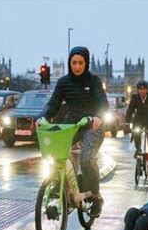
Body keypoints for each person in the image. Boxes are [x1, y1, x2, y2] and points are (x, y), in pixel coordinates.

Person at [40, 46, 108, 217]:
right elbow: (53, 104)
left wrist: (98, 117)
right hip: (72, 125)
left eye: (80, 62)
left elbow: (102, 103)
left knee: (86, 158)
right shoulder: (63, 82)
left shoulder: (94, 81)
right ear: (69, 63)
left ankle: (96, 196)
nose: (77, 66)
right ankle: (61, 190)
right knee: (57, 157)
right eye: (74, 63)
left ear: (86, 63)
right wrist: (42, 117)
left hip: (93, 125)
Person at [125, 80, 148, 173]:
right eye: (140, 89)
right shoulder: (135, 98)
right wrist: (127, 123)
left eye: (144, 89)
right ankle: (138, 150)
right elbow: (130, 110)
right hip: (138, 122)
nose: (142, 91)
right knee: (136, 134)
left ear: (147, 90)